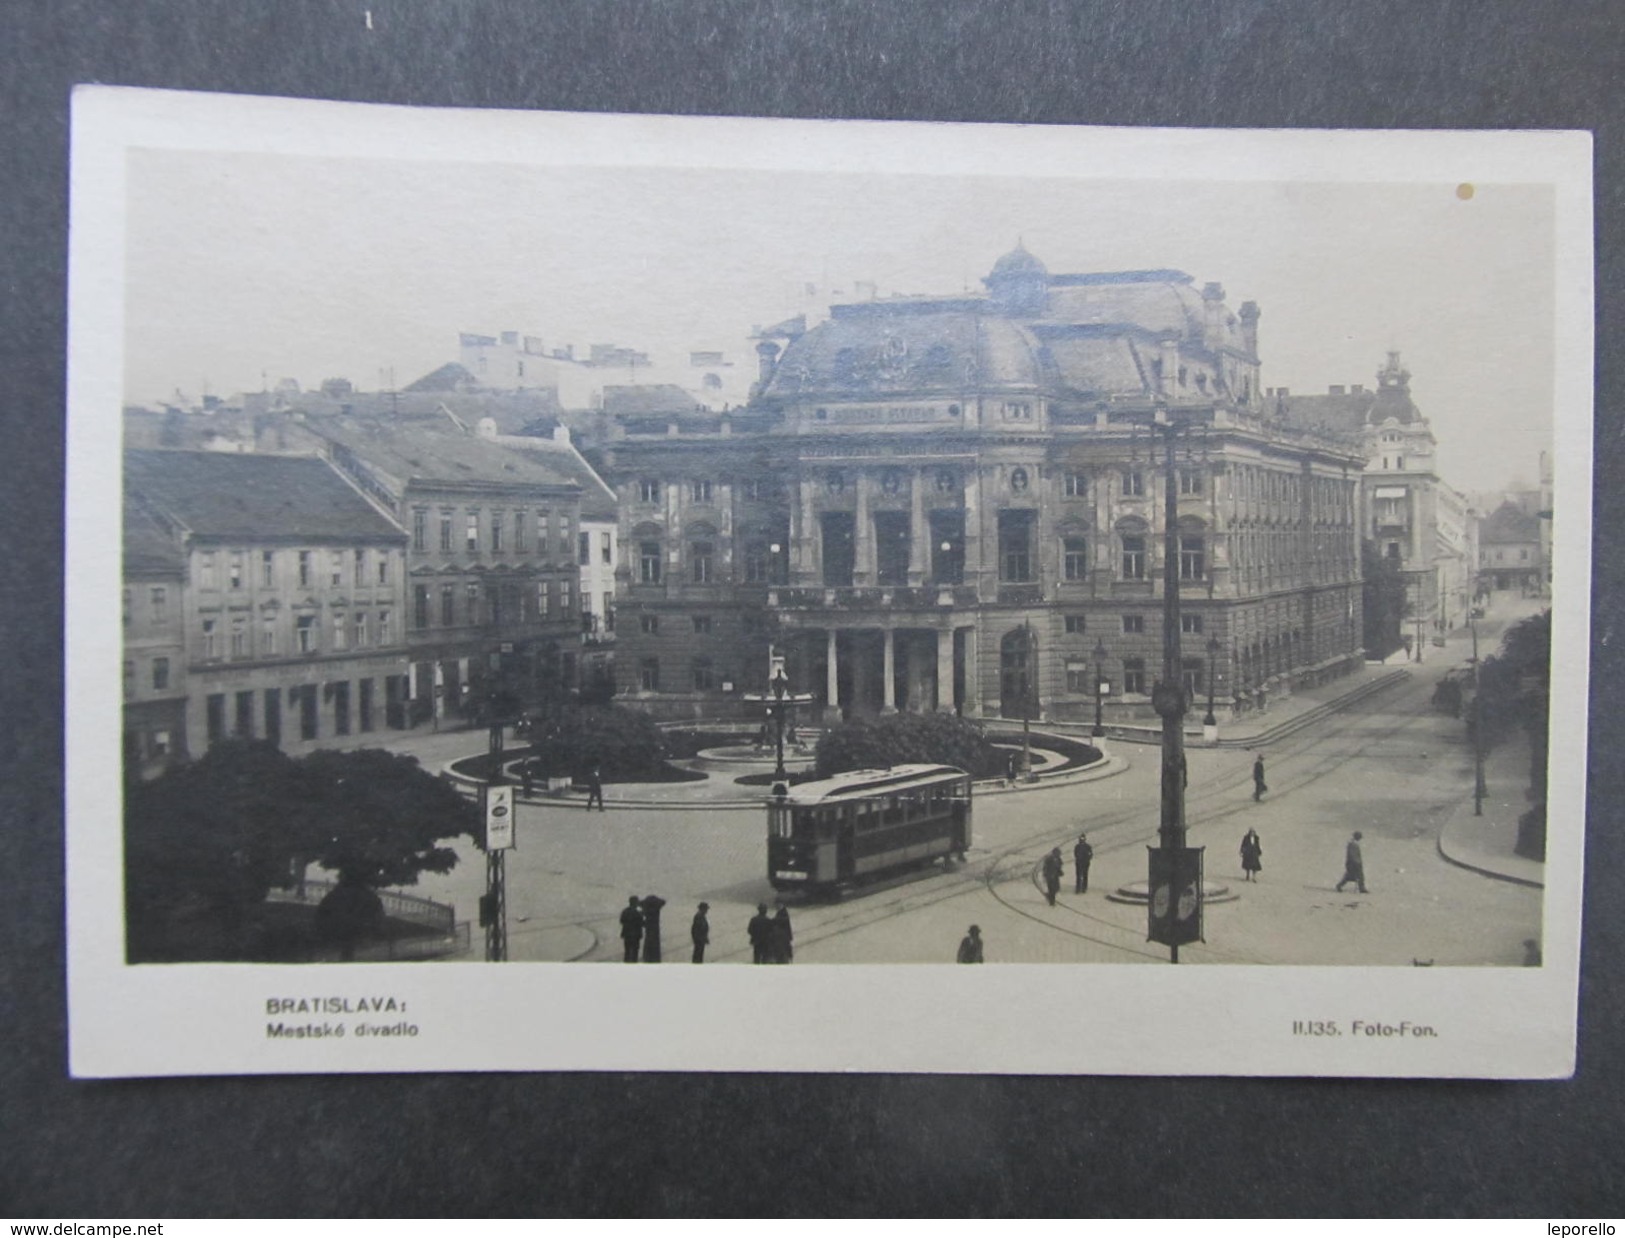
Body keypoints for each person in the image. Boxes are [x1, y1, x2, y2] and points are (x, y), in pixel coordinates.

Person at [640, 893, 667, 962]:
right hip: (655, 927)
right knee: (655, 943)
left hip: (649, 927)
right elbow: (663, 902)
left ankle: (647, 957)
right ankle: (654, 957)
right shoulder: (656, 909)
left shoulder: (646, 911)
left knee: (648, 942)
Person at [618, 895, 644, 963]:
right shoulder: (638, 912)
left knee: (627, 951)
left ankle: (626, 963)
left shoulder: (625, 911)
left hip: (627, 934)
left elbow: (621, 920)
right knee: (635, 952)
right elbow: (642, 923)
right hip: (636, 935)